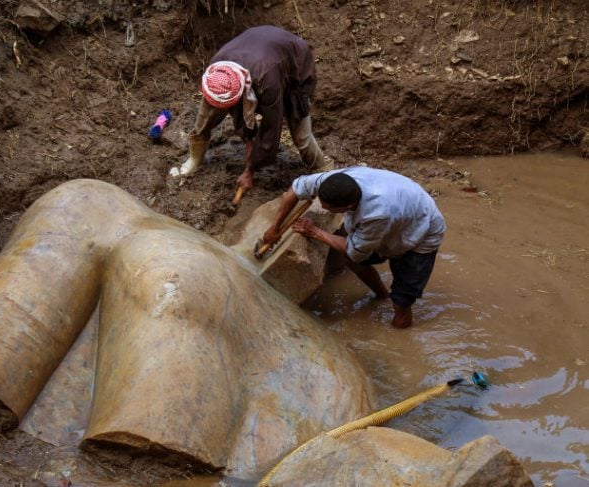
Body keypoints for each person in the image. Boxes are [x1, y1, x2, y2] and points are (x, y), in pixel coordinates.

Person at [262, 167, 446, 328]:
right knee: (351, 260)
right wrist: (274, 228)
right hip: (400, 209)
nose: (325, 209)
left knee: (402, 301)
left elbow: (355, 252)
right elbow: (296, 188)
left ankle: (401, 332)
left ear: (349, 206)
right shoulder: (334, 180)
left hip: (420, 233)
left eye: (331, 209)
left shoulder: (377, 213)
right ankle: (382, 295)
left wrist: (315, 232)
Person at [169, 25, 332, 192]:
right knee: (204, 119)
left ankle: (323, 171)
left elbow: (271, 128)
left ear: (239, 92)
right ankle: (194, 159)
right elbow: (237, 109)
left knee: (301, 134)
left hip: (292, 66)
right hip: (257, 52)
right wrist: (248, 140)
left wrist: (250, 169)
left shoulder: (267, 82)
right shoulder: (217, 70)